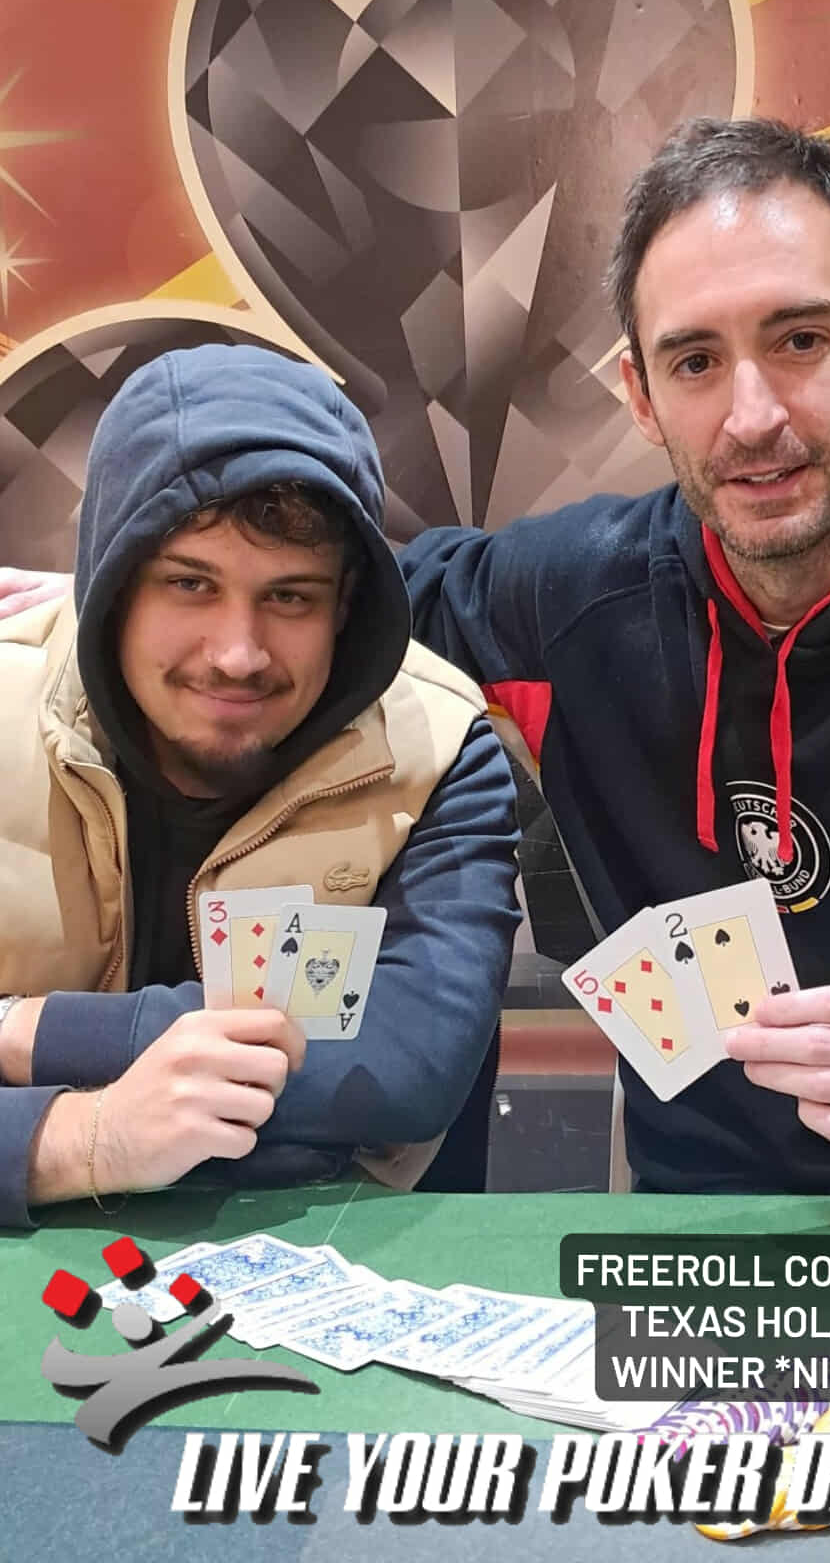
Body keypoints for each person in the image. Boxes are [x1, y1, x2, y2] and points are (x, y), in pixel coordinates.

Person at [394, 117, 830, 1196]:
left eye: (800, 340)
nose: (751, 417)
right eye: (697, 362)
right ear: (641, 394)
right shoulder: (576, 595)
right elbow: (314, 618)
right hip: (697, 1260)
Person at [0, 345, 520, 1227]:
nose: (238, 654)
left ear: (345, 607)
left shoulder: (441, 745)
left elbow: (407, 1066)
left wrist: (21, 1031)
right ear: (115, 584)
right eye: (188, 583)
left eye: (290, 598)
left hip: (335, 1247)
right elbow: (343, 1067)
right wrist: (84, 1137)